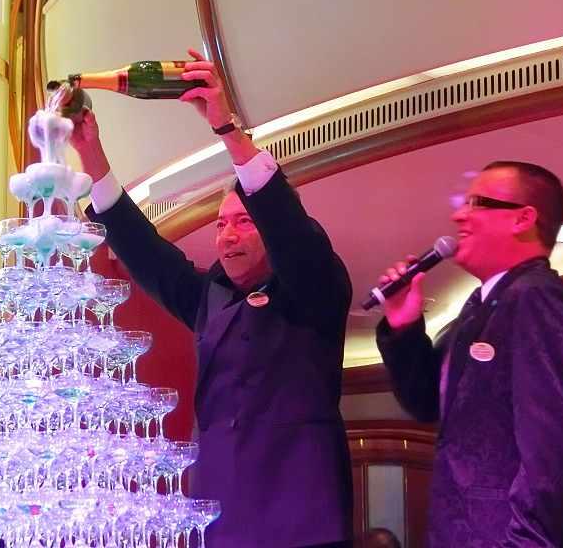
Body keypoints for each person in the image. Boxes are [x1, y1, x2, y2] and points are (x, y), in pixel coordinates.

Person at [68, 50, 354, 548]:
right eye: (221, 225)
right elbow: (145, 251)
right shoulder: (209, 297)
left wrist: (226, 128)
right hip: (222, 515)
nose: (228, 235)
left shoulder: (316, 286)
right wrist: (91, 154)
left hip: (303, 519)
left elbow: (291, 230)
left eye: (244, 221)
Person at [374, 161, 563, 547]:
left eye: (477, 203)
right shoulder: (481, 305)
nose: (458, 215)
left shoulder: (536, 297)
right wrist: (404, 326)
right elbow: (424, 402)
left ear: (522, 219)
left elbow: (555, 448)